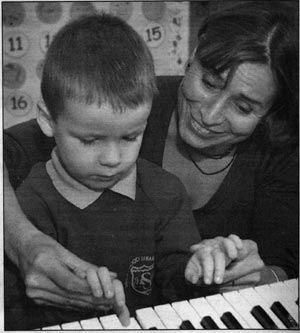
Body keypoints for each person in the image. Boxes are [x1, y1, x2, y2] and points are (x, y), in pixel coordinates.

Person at [4, 0, 298, 322]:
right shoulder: (126, 101)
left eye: (243, 108)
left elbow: (281, 266)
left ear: (271, 114)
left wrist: (230, 275)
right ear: (192, 55)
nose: (210, 116)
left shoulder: (168, 189)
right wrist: (23, 241)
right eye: (209, 82)